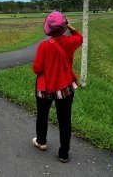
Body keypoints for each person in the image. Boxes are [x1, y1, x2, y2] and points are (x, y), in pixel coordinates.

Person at [32, 11, 83, 163]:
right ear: (63, 27)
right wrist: (70, 26)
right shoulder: (70, 42)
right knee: (65, 119)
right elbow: (80, 37)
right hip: (65, 87)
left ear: (48, 28)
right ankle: (63, 153)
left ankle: (41, 142)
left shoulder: (44, 46)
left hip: (45, 88)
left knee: (42, 115)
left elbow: (37, 69)